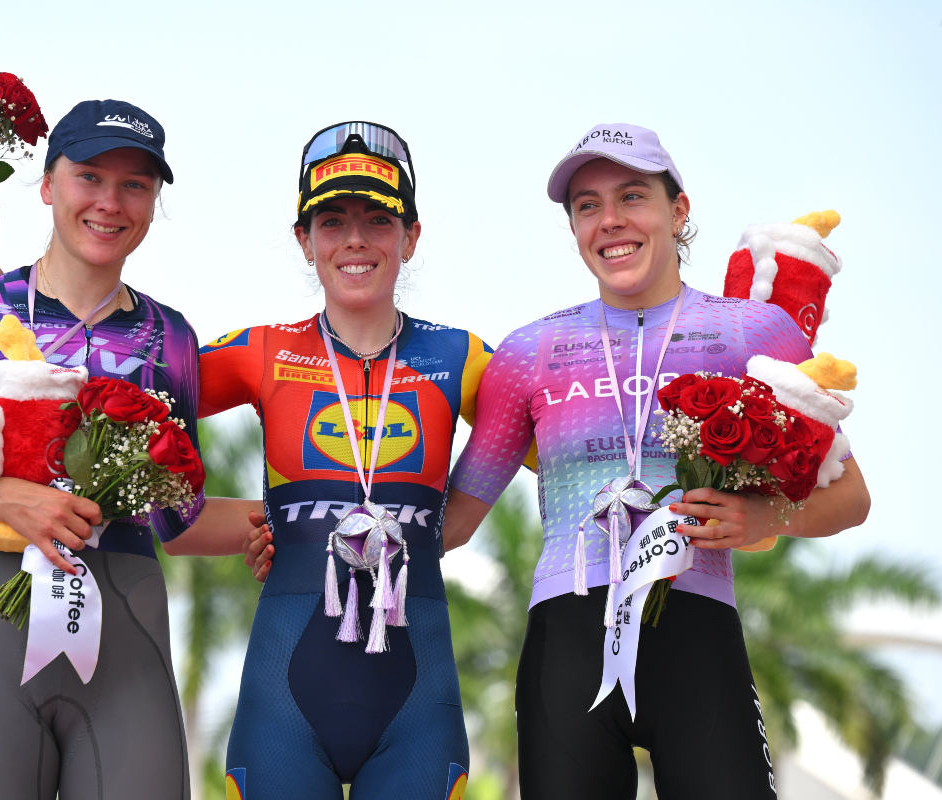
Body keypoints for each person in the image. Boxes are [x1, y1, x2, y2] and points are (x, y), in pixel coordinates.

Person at [442, 124, 871, 800]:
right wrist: (310, 537)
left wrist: (762, 514)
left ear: (679, 210)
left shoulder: (753, 332)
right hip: (567, 640)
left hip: (697, 632)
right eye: (587, 205)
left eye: (632, 197)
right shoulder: (529, 352)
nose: (610, 221)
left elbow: (851, 499)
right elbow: (455, 519)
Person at [0, 99, 261, 800]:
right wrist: (1, 501)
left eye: (135, 185)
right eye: (90, 177)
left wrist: (302, 521)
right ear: (49, 184)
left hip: (129, 651)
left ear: (153, 202)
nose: (111, 202)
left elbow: (180, 518)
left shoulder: (168, 336)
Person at [198, 122, 490, 800]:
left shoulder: (461, 356)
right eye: (332, 222)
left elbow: (576, 438)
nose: (354, 240)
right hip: (285, 706)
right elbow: (121, 401)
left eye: (377, 220)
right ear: (305, 240)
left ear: (411, 236)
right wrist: (252, 524)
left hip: (418, 705)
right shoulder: (260, 351)